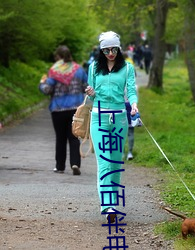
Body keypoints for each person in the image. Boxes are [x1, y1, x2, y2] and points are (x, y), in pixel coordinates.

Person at [85, 31, 138, 223]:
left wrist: (133, 104)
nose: (110, 53)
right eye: (106, 50)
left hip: (119, 119)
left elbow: (131, 90)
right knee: (104, 161)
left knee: (115, 163)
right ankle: (107, 205)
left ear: (119, 48)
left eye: (114, 49)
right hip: (98, 118)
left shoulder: (127, 68)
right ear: (101, 50)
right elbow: (91, 97)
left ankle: (113, 201)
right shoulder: (93, 68)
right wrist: (90, 92)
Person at [39, 45, 88, 175]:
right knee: (74, 137)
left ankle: (60, 166)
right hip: (75, 109)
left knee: (60, 138)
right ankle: (75, 163)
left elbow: (47, 90)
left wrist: (42, 83)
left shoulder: (54, 71)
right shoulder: (79, 70)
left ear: (58, 57)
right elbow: (86, 87)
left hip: (58, 109)